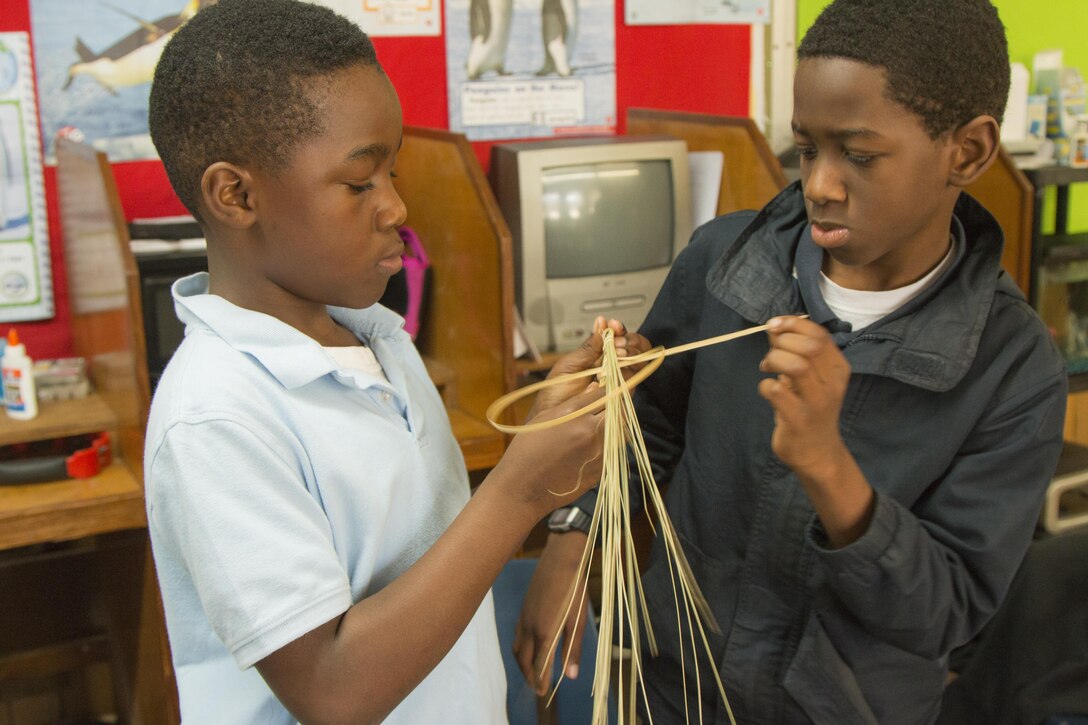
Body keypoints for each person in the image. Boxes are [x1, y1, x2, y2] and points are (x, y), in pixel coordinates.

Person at [516, 1, 1069, 723]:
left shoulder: (1013, 366)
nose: (820, 184)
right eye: (807, 149)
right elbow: (642, 427)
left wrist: (828, 467)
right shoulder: (724, 262)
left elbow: (947, 612)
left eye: (859, 155)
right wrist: (573, 533)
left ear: (965, 152)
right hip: (675, 693)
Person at [143, 1, 648, 722]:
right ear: (236, 195)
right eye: (359, 184)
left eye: (394, 173)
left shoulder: (375, 336)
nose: (396, 208)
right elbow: (332, 689)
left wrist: (548, 430)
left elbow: (430, 559)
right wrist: (519, 491)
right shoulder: (215, 418)